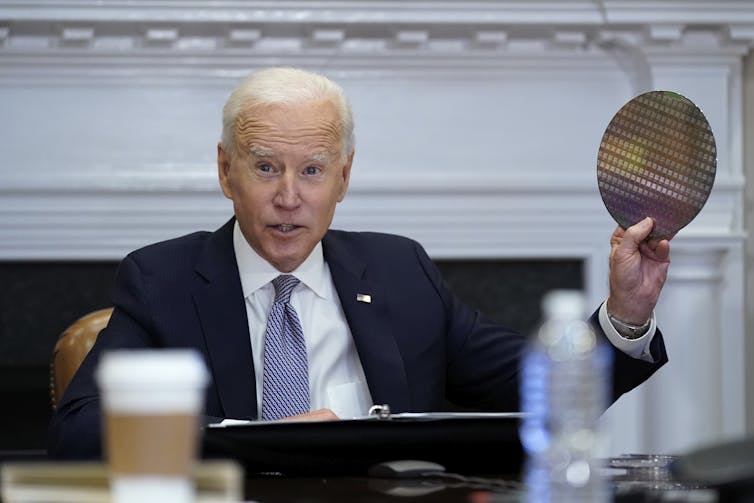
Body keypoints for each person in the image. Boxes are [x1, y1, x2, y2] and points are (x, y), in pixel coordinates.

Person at [48, 67, 670, 459]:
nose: (289, 197)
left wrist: (625, 315)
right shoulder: (163, 281)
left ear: (343, 177)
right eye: (265, 167)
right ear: (224, 170)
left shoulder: (400, 271)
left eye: (312, 171)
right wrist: (250, 439)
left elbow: (543, 387)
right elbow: (76, 433)